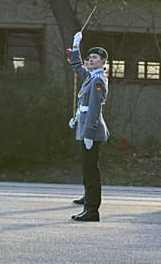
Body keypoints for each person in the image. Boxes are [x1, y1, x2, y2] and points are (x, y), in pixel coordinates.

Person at [68, 31, 110, 222]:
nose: (90, 60)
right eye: (90, 57)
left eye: (94, 58)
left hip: (91, 130)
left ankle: (92, 210)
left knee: (91, 170)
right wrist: (76, 46)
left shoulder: (98, 80)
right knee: (87, 168)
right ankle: (88, 202)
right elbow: (77, 66)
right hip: (85, 126)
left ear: (103, 61)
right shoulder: (91, 77)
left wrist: (88, 133)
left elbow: (93, 108)